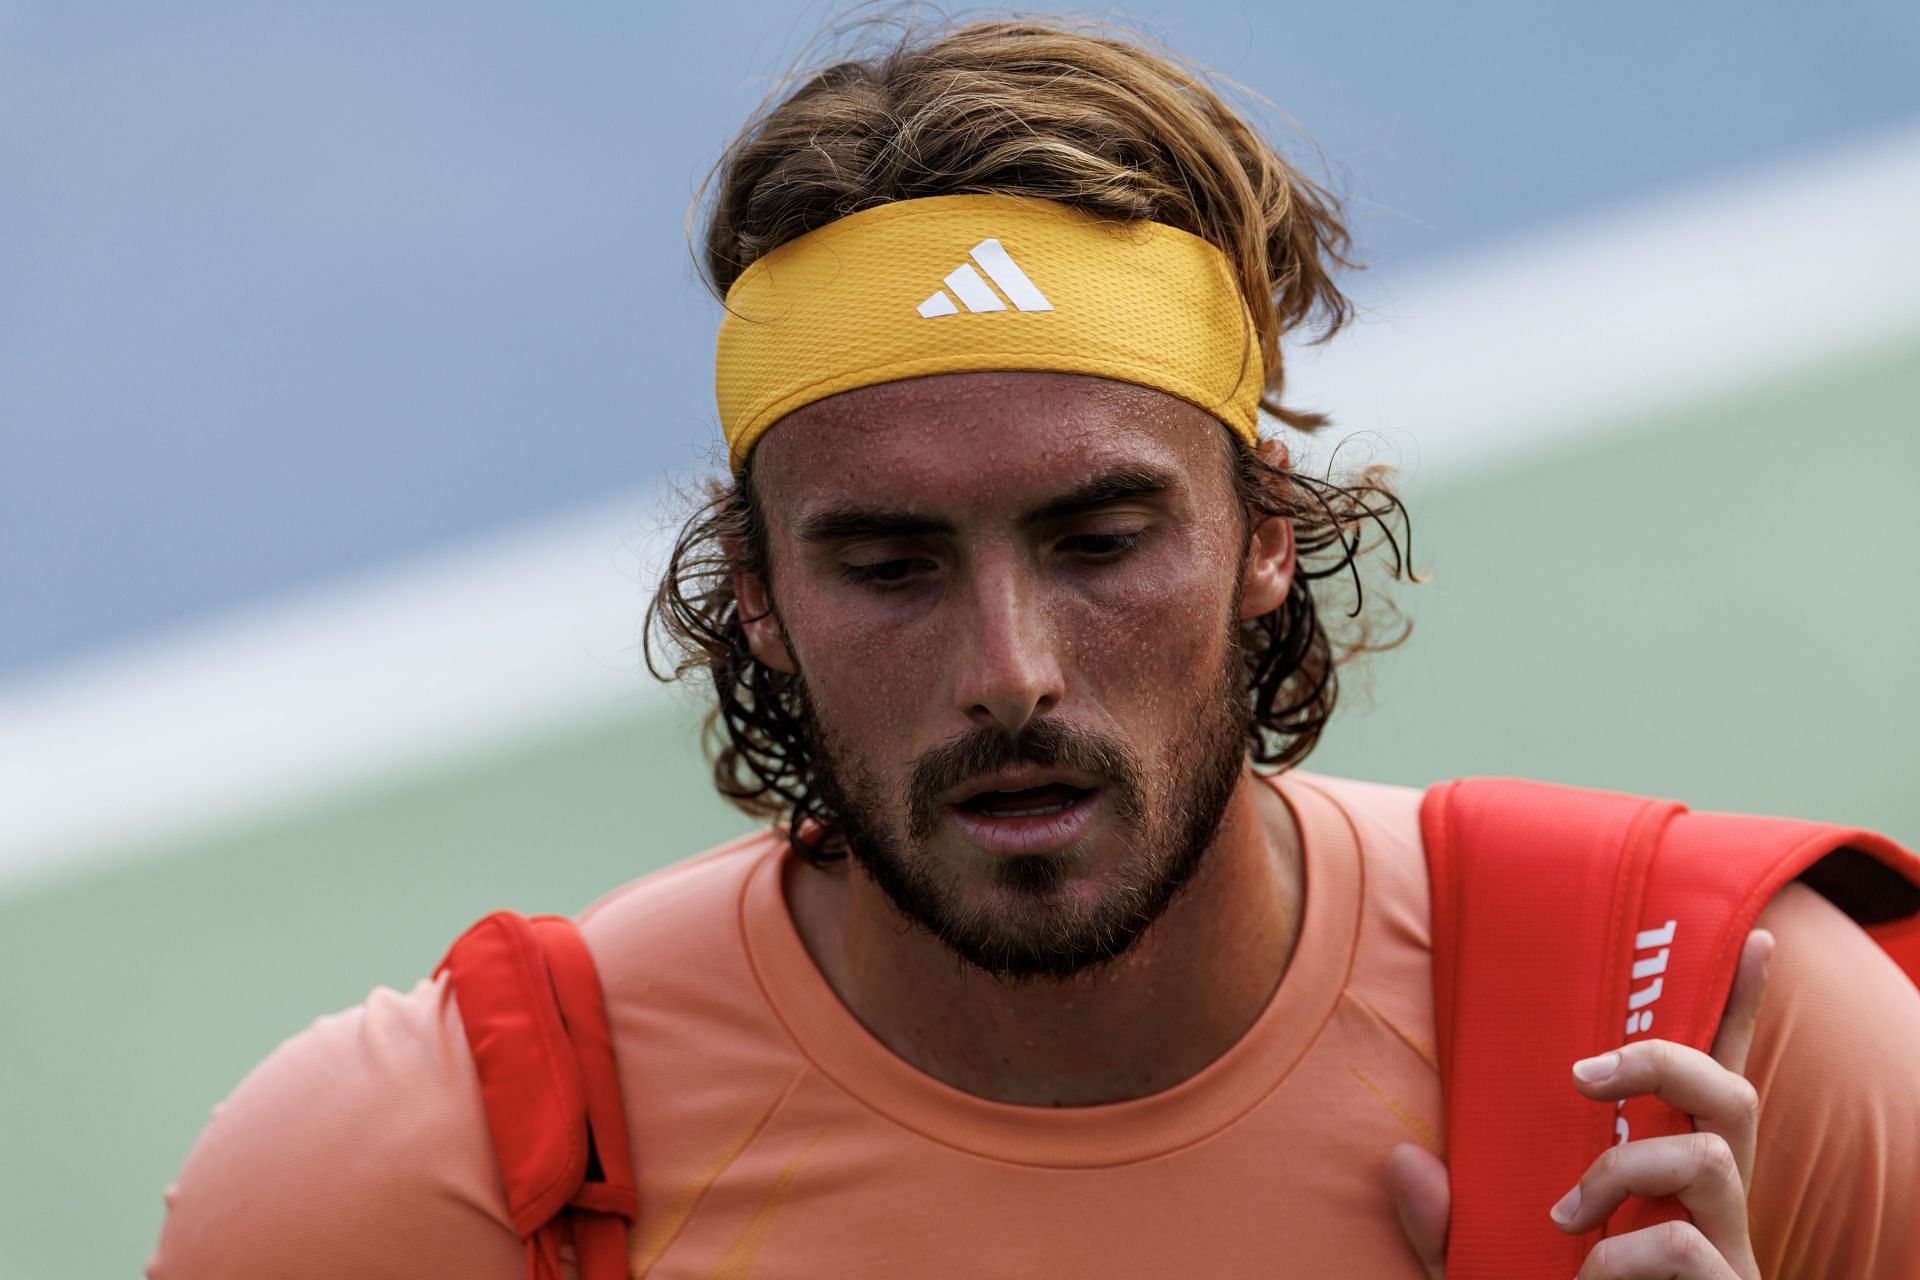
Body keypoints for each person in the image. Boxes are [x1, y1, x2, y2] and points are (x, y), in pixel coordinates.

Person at [148, 15, 1920, 1279]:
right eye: (891, 563)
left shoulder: (1725, 1048)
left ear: (1265, 539)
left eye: (1098, 541)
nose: (1013, 667)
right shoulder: (424, 1184)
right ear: (756, 592)